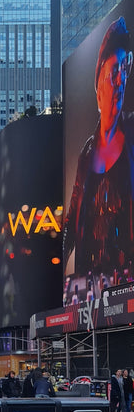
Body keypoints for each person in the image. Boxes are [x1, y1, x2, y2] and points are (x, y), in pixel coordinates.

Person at [65, 17, 134, 299]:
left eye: (124, 72)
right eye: (113, 72)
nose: (119, 81)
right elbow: (71, 224)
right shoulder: (85, 155)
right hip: (88, 297)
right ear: (98, 82)